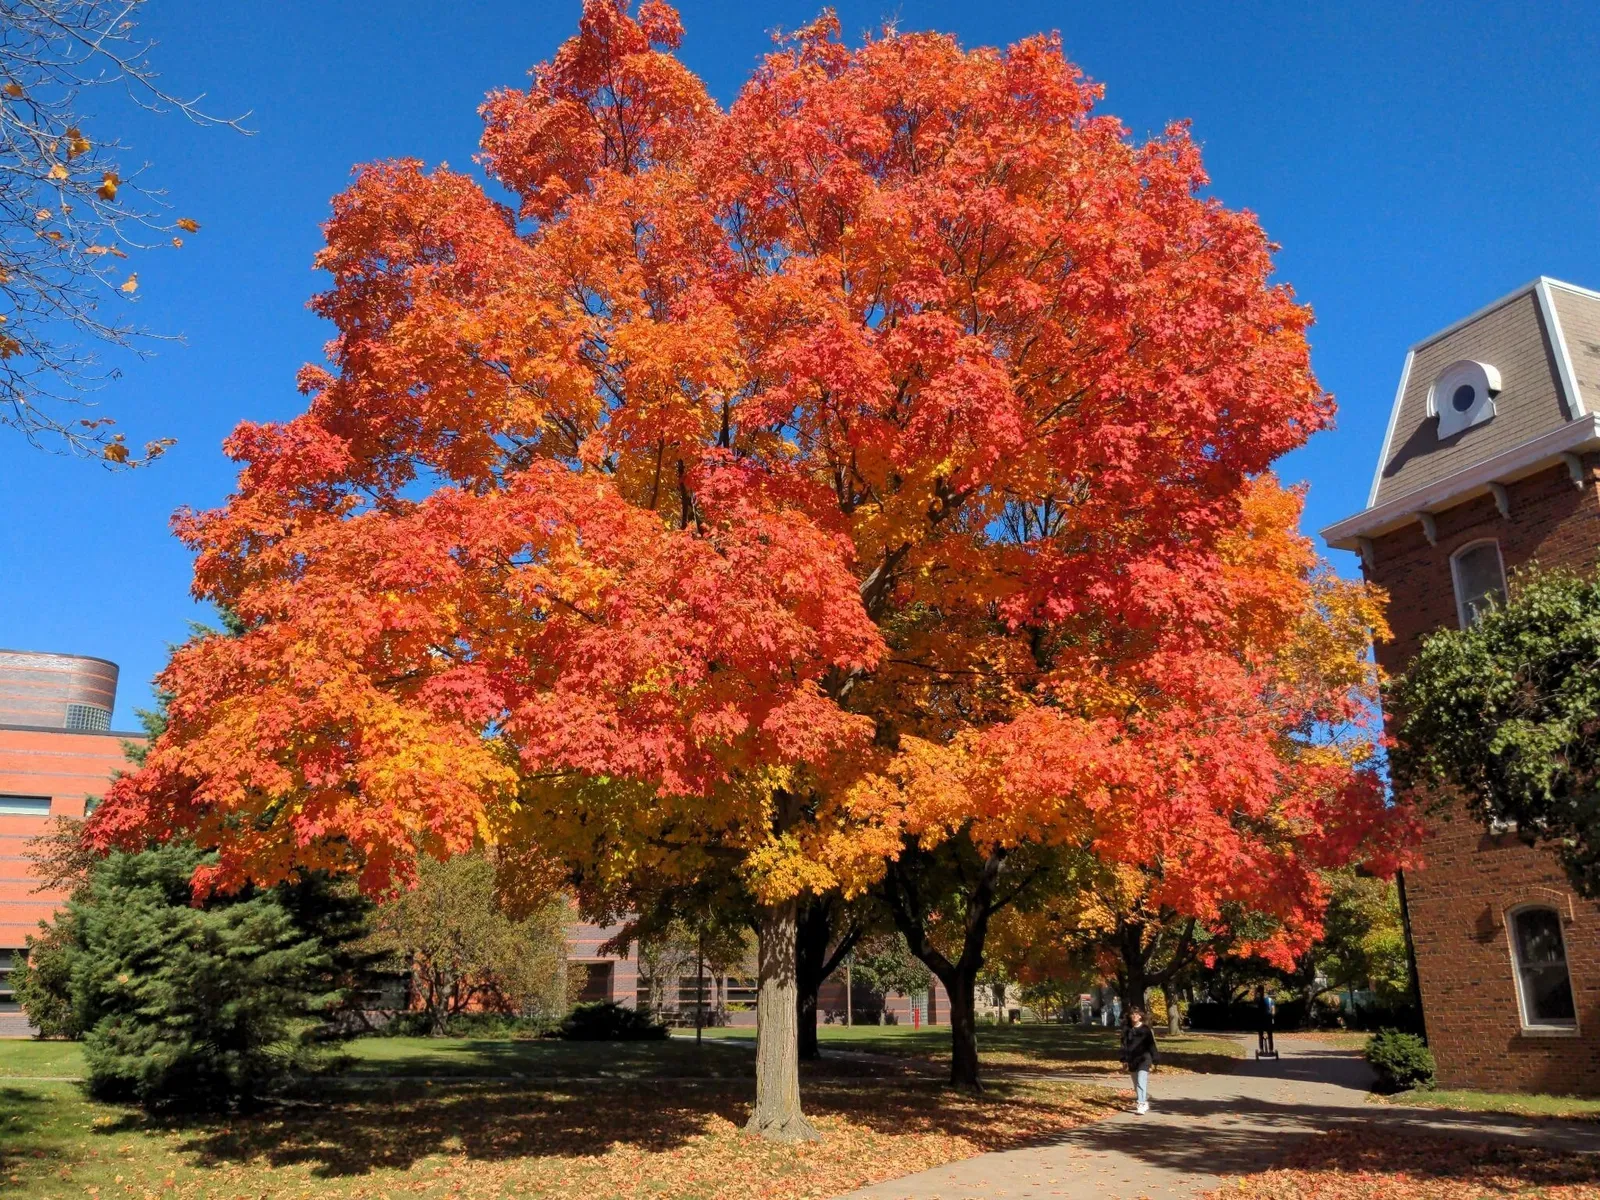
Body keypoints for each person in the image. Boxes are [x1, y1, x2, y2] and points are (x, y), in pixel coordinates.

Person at [1120, 1005, 1158, 1115]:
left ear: (1140, 1016)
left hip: (1144, 1059)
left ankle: (1140, 1103)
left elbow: (1151, 1045)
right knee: (1136, 1084)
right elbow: (1123, 1045)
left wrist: (1155, 1059)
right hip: (1132, 1059)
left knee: (1141, 1081)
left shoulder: (1145, 1029)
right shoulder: (1126, 1029)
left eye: (1136, 1014)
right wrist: (1124, 1060)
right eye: (1132, 1014)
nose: (1134, 1016)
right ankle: (1144, 1099)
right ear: (1130, 1016)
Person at [1256, 985, 1276, 1056]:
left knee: (1260, 1034)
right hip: (1268, 1018)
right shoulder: (1270, 1000)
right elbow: (1273, 1010)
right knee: (1270, 1035)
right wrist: (1273, 1017)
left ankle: (1261, 1050)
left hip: (1261, 1019)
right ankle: (1271, 1050)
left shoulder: (1258, 999)